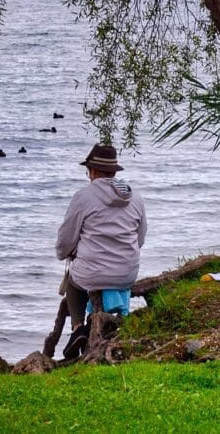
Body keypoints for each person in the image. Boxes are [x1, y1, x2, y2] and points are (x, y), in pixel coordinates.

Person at [55, 143, 147, 359]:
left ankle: (78, 329)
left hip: (91, 275)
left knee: (73, 283)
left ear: (93, 171)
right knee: (90, 272)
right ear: (114, 172)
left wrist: (65, 254)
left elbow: (66, 240)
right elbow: (140, 239)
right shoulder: (136, 197)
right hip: (127, 273)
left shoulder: (83, 197)